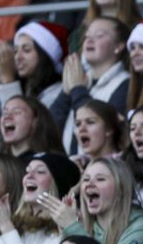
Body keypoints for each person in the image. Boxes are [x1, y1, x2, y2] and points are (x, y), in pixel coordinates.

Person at [0, 20, 65, 142]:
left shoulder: (58, 92)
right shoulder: (7, 87)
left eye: (26, 50)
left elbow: (24, 137)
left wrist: (8, 80)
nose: (18, 57)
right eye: (15, 51)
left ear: (45, 55)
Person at [50, 17, 131, 154]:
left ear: (119, 45)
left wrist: (77, 90)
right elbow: (49, 128)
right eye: (87, 36)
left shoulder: (125, 83)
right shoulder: (80, 80)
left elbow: (108, 125)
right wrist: (66, 92)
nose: (89, 40)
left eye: (99, 35)